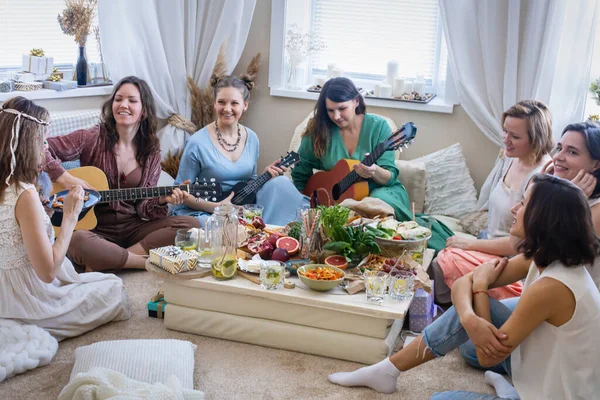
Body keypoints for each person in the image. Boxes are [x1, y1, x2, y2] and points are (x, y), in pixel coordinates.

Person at [328, 174, 600, 399]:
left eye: (523, 203)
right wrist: (470, 317)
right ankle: (387, 371)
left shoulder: (552, 286)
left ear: (544, 218)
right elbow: (462, 283)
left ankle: (512, 392)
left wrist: (481, 286)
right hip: (539, 372)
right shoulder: (540, 256)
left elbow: (485, 355)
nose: (515, 209)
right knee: (467, 313)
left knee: (439, 399)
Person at [0, 97, 130, 340]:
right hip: (29, 299)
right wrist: (70, 216)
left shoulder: (8, 186)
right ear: (29, 144)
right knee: (115, 289)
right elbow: (48, 272)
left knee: (98, 280)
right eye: (43, 141)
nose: (46, 149)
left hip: (5, 292)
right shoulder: (25, 195)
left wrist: (44, 216)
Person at [44, 76, 200, 271]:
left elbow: (144, 209)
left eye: (132, 100)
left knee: (191, 224)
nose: (123, 105)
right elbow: (38, 147)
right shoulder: (91, 137)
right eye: (118, 99)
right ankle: (144, 262)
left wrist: (162, 200)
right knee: (76, 240)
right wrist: (66, 178)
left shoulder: (151, 149)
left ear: (143, 110)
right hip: (94, 229)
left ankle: (112, 259)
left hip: (133, 228)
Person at [291, 77, 452, 251]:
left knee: (377, 201)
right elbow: (301, 170)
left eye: (342, 108)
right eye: (330, 110)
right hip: (341, 200)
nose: (336, 116)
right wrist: (306, 205)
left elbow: (389, 177)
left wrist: (373, 170)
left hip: (382, 190)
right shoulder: (320, 129)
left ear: (356, 101)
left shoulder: (379, 127)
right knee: (338, 218)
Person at [432, 100, 553, 302]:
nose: (506, 140)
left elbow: (522, 246)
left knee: (440, 261)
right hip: (489, 241)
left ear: (536, 139)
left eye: (515, 136)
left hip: (510, 261)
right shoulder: (512, 157)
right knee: (428, 231)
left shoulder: (541, 178)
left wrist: (471, 245)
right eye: (505, 131)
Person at [173, 74, 309, 226]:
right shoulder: (196, 143)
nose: (227, 109)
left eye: (234, 103)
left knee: (281, 183)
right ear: (214, 104)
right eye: (221, 102)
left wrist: (265, 176)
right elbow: (180, 191)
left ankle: (272, 235)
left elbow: (249, 181)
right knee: (219, 226)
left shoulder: (252, 138)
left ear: (245, 105)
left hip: (242, 206)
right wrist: (217, 208)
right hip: (208, 209)